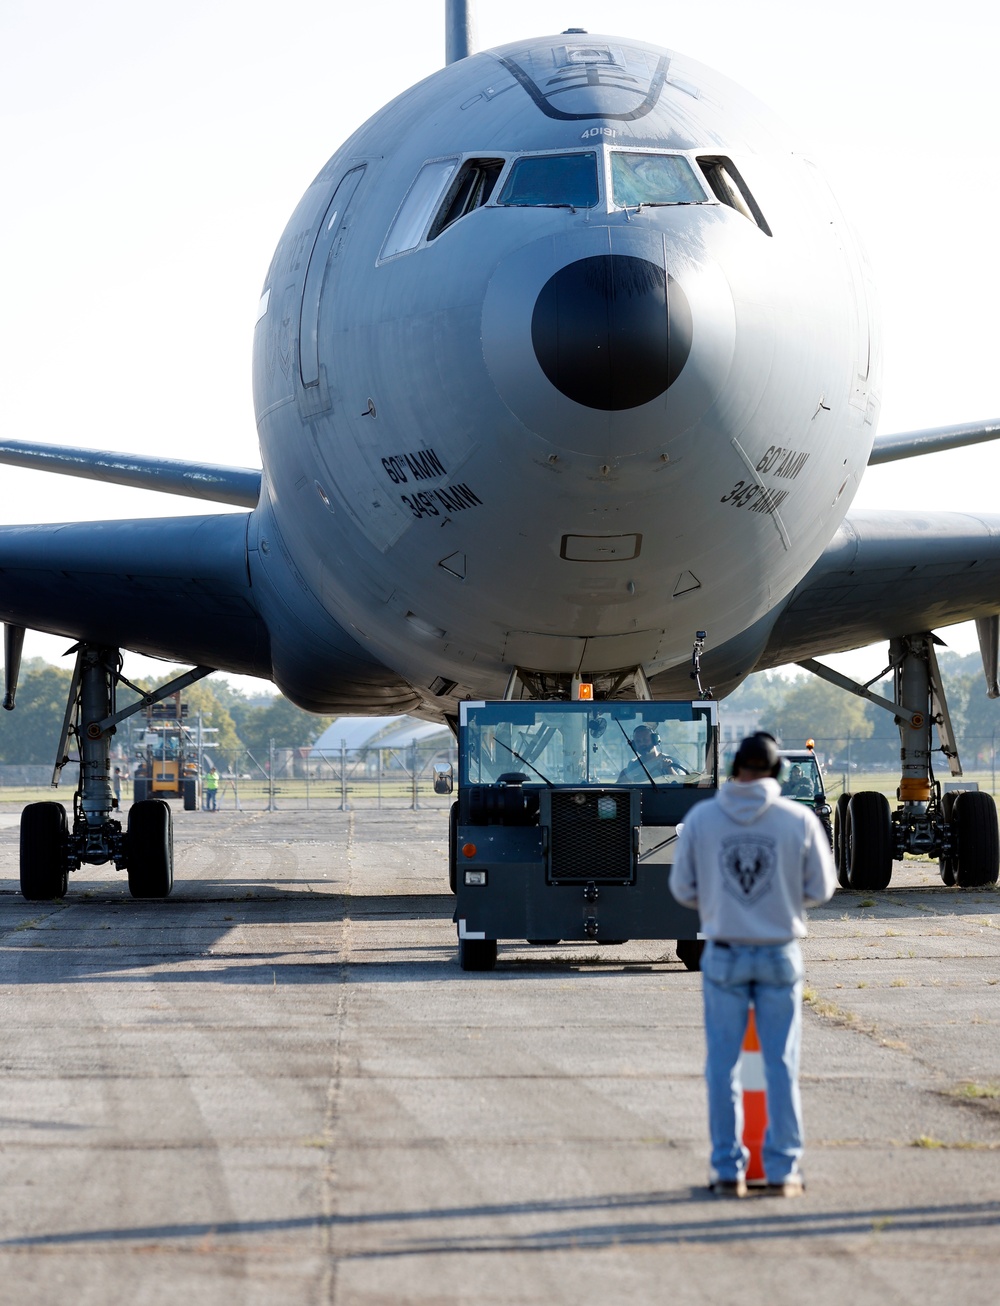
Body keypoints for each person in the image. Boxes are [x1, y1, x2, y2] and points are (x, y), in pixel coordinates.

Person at [669, 732, 837, 1198]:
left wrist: (722, 903)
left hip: (723, 951)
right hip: (779, 949)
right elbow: (822, 889)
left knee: (722, 1066)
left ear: (732, 770)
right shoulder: (797, 818)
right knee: (781, 1063)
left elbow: (682, 889)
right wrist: (781, 901)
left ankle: (728, 1170)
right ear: (778, 772)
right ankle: (783, 1171)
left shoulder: (703, 819)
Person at [616, 724, 688, 783]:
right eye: (638, 741)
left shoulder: (672, 762)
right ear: (634, 744)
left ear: (655, 740)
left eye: (645, 740)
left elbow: (681, 784)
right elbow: (622, 785)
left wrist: (670, 769)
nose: (642, 743)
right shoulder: (633, 765)